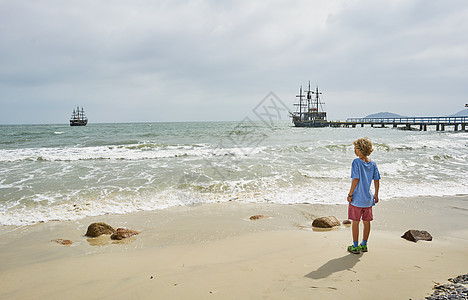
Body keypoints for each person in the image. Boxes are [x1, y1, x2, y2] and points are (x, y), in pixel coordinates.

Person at [347, 137, 380, 254]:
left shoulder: (356, 162)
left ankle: (355, 246)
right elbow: (376, 180)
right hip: (368, 199)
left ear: (360, 150)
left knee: (355, 222)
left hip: (357, 199)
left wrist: (350, 194)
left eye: (355, 148)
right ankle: (364, 244)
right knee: (367, 222)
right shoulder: (373, 164)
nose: (354, 151)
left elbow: (355, 179)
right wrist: (376, 195)